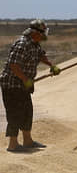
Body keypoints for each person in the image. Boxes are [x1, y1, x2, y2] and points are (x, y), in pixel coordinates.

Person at [0, 19, 61, 152]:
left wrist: (52, 66)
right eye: (43, 32)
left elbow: (41, 56)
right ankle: (13, 145)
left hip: (23, 85)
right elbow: (13, 65)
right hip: (11, 84)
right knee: (14, 113)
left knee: (27, 111)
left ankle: (28, 141)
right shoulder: (23, 44)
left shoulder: (35, 44)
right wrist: (25, 79)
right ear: (35, 32)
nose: (45, 35)